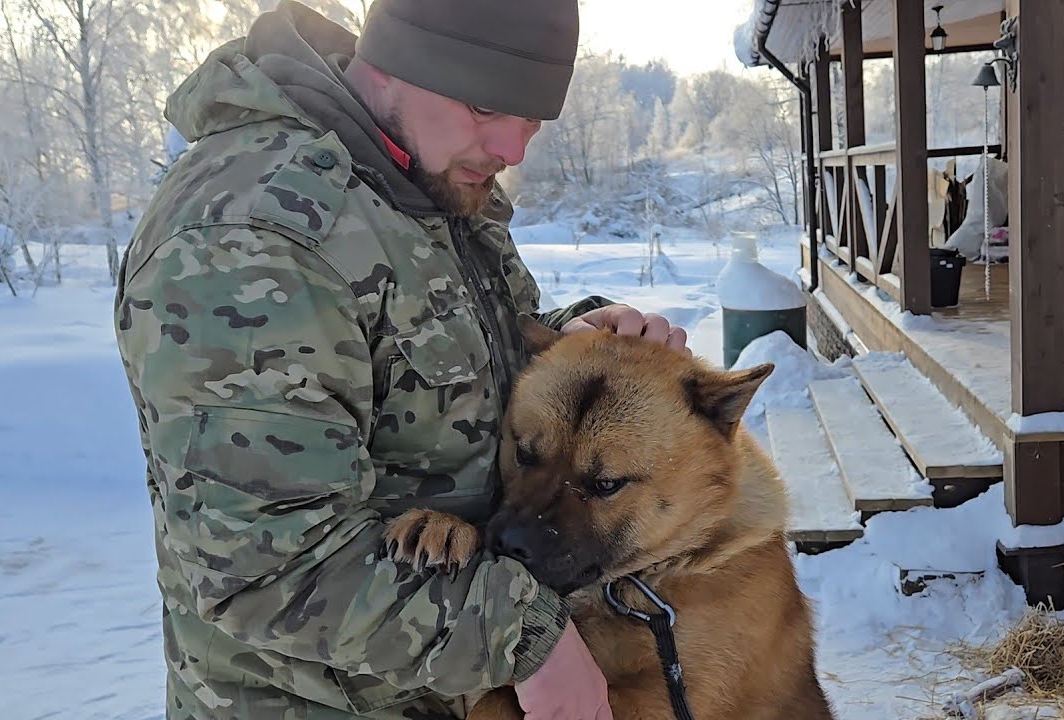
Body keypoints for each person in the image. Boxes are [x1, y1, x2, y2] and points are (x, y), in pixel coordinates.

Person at [112, 1, 687, 718]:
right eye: (486, 105)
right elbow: (263, 565)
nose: (513, 148)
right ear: (397, 60)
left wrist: (572, 344)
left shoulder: (417, 176)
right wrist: (523, 636)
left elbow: (455, 352)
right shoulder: (253, 232)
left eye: (534, 118)